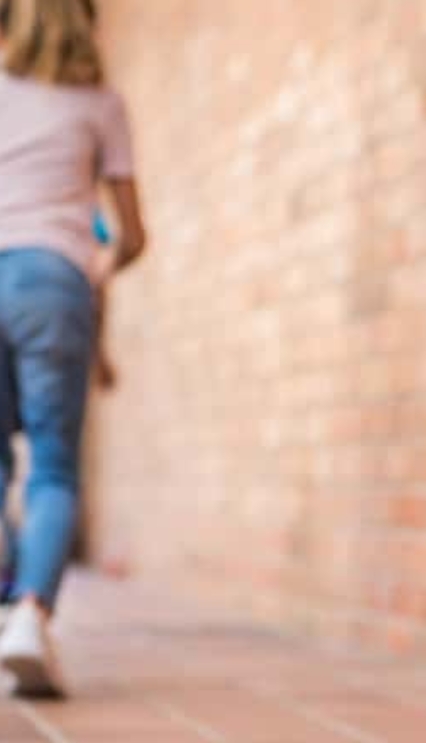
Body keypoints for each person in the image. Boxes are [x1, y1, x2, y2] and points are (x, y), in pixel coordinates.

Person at [0, 0, 146, 696]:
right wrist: (93, 271)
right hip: (56, 278)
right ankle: (29, 615)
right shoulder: (101, 104)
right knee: (54, 466)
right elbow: (131, 234)